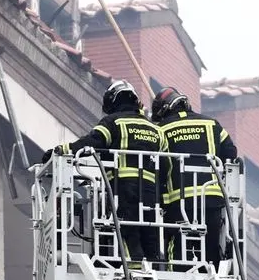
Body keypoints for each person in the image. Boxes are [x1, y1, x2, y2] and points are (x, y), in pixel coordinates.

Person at [42, 80, 166, 265]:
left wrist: (60, 150)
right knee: (149, 234)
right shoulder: (156, 130)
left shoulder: (113, 122)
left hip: (123, 191)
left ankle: (134, 274)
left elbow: (90, 143)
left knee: (126, 234)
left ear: (113, 102)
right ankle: (155, 269)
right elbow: (165, 164)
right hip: (150, 195)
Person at [151, 86, 239, 269]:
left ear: (164, 109)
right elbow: (230, 152)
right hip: (211, 199)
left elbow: (155, 164)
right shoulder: (211, 124)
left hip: (180, 202)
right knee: (211, 247)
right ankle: (211, 277)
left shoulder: (161, 129)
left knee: (178, 249)